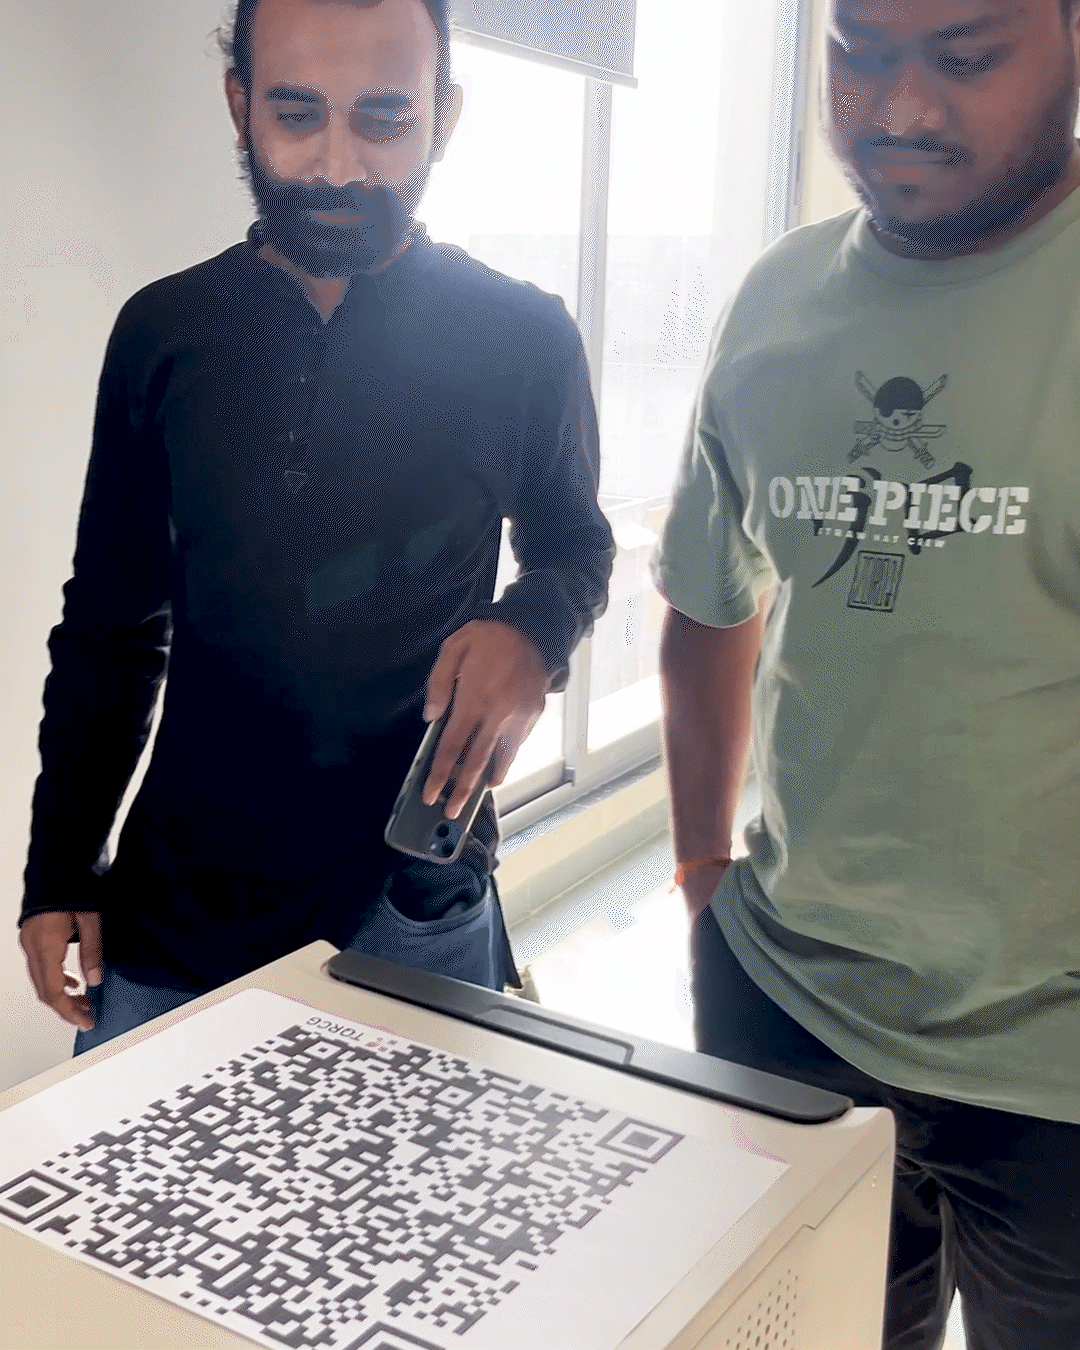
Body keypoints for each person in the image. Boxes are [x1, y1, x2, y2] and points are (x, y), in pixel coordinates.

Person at [18, 0, 614, 1053]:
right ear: (239, 104)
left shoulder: (524, 337)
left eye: (384, 120)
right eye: (298, 115)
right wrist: (59, 861)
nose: (340, 166)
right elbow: (112, 622)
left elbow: (575, 545)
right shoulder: (162, 332)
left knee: (419, 1170)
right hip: (174, 908)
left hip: (411, 899)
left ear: (445, 117)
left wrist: (536, 628)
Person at [655, 1, 1080, 1347]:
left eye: (964, 56)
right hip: (789, 1004)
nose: (898, 108)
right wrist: (701, 869)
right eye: (859, 49)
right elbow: (708, 603)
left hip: (1055, 1076)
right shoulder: (775, 300)